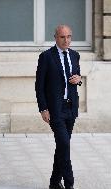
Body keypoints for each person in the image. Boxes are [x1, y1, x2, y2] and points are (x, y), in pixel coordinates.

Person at [35, 25, 82, 189]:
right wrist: (43, 108)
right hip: (55, 109)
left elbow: (76, 77)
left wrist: (79, 79)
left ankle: (54, 183)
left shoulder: (75, 55)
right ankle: (69, 184)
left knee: (62, 145)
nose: (66, 40)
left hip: (71, 108)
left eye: (69, 36)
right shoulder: (46, 56)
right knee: (64, 144)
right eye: (62, 37)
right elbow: (39, 86)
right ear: (55, 37)